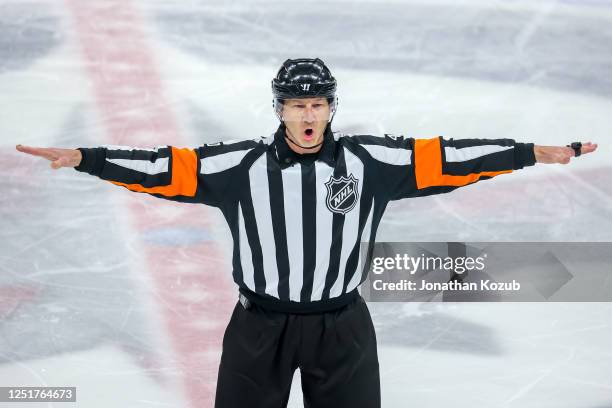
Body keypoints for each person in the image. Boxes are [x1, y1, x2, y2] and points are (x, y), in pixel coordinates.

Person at [16, 57, 598, 408]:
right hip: (258, 327)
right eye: (297, 105)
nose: (308, 115)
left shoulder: (371, 162)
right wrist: (86, 157)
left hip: (341, 326)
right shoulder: (239, 166)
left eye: (317, 104)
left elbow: (451, 157)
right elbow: (164, 166)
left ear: (330, 107)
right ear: (279, 109)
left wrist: (530, 153)